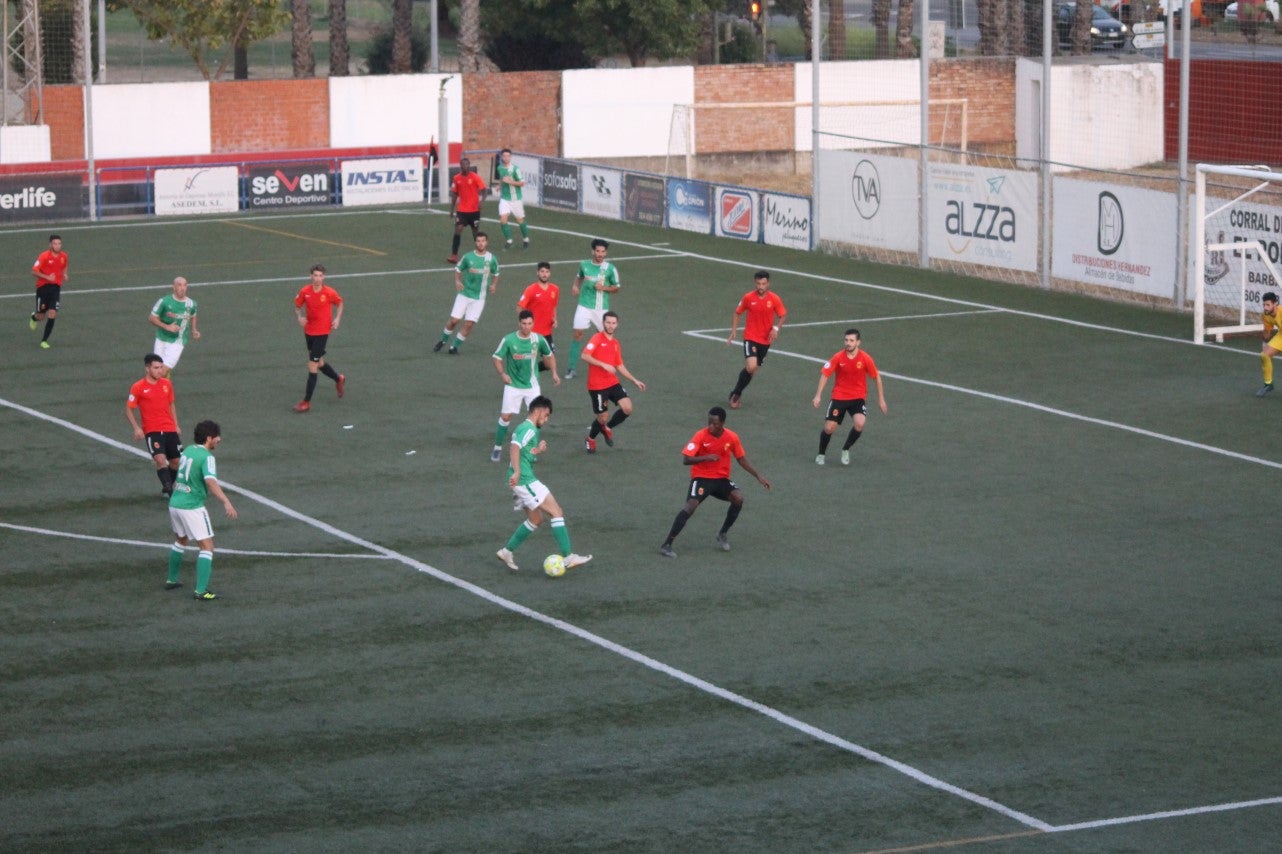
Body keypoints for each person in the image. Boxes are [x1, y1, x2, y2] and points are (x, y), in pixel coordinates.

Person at [495, 395, 592, 573]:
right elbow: (514, 448)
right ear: (537, 410)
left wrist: (537, 450)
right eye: (546, 415)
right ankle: (569, 557)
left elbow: (525, 451)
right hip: (524, 480)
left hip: (516, 481)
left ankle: (506, 551)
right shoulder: (528, 429)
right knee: (556, 512)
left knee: (536, 519)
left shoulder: (527, 428)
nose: (546, 420)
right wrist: (517, 472)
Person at [659, 406, 771, 558]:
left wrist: (758, 475)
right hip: (701, 478)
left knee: (738, 498)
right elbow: (686, 459)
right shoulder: (700, 435)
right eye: (709, 422)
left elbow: (741, 459)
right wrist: (705, 457)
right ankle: (667, 544)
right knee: (690, 506)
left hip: (720, 480)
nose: (710, 426)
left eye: (714, 423)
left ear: (722, 423)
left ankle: (722, 533)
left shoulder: (732, 437)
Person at [166, 420, 237, 601]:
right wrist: (226, 501)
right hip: (192, 507)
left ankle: (171, 579)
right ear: (208, 438)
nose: (219, 440)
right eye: (216, 437)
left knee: (181, 540)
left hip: (175, 502)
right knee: (207, 547)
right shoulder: (207, 457)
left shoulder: (188, 450)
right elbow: (210, 481)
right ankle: (201, 590)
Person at [812, 328, 888, 466]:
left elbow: (876, 377)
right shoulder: (838, 357)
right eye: (846, 340)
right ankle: (821, 453)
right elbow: (825, 374)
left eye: (851, 340)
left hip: (857, 397)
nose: (848, 343)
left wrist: (881, 399)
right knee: (829, 428)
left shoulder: (865, 358)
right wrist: (818, 395)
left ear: (858, 342)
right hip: (839, 397)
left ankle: (846, 449)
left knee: (860, 423)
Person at [492, 309, 559, 462]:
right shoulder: (509, 340)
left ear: (533, 323)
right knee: (506, 416)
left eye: (529, 324)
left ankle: (532, 452)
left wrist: (554, 372)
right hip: (513, 385)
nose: (527, 327)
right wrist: (503, 374)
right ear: (519, 323)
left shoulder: (539, 340)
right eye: (524, 324)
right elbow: (496, 358)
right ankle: (497, 448)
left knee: (537, 418)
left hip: (532, 387)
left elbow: (550, 356)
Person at [579, 310, 646, 453]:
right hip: (597, 385)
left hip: (612, 382)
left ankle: (607, 428)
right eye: (608, 322)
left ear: (617, 324)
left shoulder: (615, 343)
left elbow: (619, 365)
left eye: (613, 323)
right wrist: (603, 364)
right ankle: (590, 439)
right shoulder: (597, 338)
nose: (610, 325)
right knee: (602, 417)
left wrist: (634, 380)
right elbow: (584, 355)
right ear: (603, 323)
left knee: (627, 408)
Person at [726, 270, 787, 409]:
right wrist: (734, 331)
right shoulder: (748, 297)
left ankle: (736, 392)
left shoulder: (774, 299)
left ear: (768, 284)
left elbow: (782, 315)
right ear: (755, 283)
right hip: (750, 337)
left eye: (763, 284)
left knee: (752, 370)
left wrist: (776, 329)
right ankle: (736, 396)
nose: (761, 286)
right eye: (758, 283)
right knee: (752, 366)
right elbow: (737, 312)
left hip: (765, 341)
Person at [125, 353, 182, 496]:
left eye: (161, 368)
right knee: (160, 459)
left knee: (176, 461)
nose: (160, 371)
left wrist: (176, 424)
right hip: (152, 430)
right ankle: (169, 489)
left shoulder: (166, 384)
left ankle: (167, 487)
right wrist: (137, 428)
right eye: (156, 368)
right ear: (147, 369)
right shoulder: (138, 387)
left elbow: (171, 404)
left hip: (169, 428)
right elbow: (129, 409)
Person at [434, 231, 500, 355]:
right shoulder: (468, 257)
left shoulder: (491, 259)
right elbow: (458, 269)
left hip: (479, 298)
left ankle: (454, 347)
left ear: (487, 242)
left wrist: (494, 285)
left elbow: (496, 273)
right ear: (475, 242)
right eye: (478, 241)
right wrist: (457, 281)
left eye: (483, 241)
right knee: (454, 320)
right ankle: (443, 340)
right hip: (464, 294)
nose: (481, 243)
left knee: (469, 324)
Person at [292, 264, 346, 413]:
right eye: (315, 275)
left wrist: (337, 319)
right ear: (311, 276)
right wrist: (299, 317)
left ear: (324, 277)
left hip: (322, 332)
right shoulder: (305, 291)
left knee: (312, 365)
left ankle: (306, 402)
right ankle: (338, 378)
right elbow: (297, 306)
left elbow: (340, 303)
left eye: (320, 276)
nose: (317, 278)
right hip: (309, 331)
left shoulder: (329, 292)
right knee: (320, 362)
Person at [565, 238, 621, 379]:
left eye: (603, 251)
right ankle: (571, 368)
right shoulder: (584, 265)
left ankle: (606, 365)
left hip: (601, 309)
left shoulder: (610, 269)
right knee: (578, 334)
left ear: (606, 253)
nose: (600, 254)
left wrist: (604, 288)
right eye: (598, 251)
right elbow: (579, 277)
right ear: (593, 251)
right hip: (584, 305)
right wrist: (575, 286)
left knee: (605, 337)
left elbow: (616, 288)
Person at [148, 276, 199, 372]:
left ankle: (165, 385)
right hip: (161, 338)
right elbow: (152, 318)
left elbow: (193, 315)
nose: (182, 288)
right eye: (179, 285)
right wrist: (166, 327)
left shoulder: (191, 304)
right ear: (173, 287)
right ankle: (164, 386)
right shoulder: (164, 301)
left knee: (161, 371)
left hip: (178, 341)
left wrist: (194, 330)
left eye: (185, 285)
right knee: (155, 370)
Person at [517, 261, 560, 371]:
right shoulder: (531, 289)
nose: (544, 274)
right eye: (542, 271)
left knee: (549, 364)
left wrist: (555, 319)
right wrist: (524, 324)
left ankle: (531, 370)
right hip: (532, 333)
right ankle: (522, 373)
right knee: (526, 359)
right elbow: (519, 307)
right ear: (537, 273)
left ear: (550, 273)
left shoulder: (555, 289)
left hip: (547, 333)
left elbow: (554, 306)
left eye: (547, 272)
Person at [447, 157, 489, 263]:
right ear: (460, 166)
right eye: (462, 164)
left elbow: (484, 191)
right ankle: (454, 255)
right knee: (458, 229)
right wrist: (452, 210)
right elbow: (455, 194)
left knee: (475, 233)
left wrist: (482, 201)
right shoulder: (456, 178)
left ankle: (481, 254)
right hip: (462, 211)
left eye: (466, 164)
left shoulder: (475, 177)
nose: (464, 166)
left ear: (469, 165)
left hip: (474, 211)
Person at [29, 233, 68, 349]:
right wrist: (47, 277)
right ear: (50, 245)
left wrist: (65, 274)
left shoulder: (64, 256)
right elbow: (33, 271)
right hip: (43, 288)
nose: (57, 246)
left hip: (55, 288)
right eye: (55, 244)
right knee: (41, 316)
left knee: (52, 313)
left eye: (59, 243)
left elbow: (64, 265)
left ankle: (44, 340)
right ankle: (33, 318)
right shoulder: (43, 256)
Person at [495, 147, 530, 250]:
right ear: (501, 157)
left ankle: (526, 239)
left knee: (520, 220)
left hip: (515, 199)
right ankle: (509, 241)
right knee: (503, 219)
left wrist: (511, 182)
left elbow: (522, 183)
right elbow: (502, 178)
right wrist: (499, 186)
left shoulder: (515, 169)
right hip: (504, 198)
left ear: (511, 157)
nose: (506, 158)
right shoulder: (500, 168)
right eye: (504, 156)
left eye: (508, 156)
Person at [1257, 291, 1282, 396]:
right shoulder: (1266, 316)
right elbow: (1267, 332)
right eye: (1264, 305)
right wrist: (1264, 343)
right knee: (1264, 355)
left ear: (1275, 304)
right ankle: (1268, 384)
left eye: (1268, 305)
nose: (1265, 307)